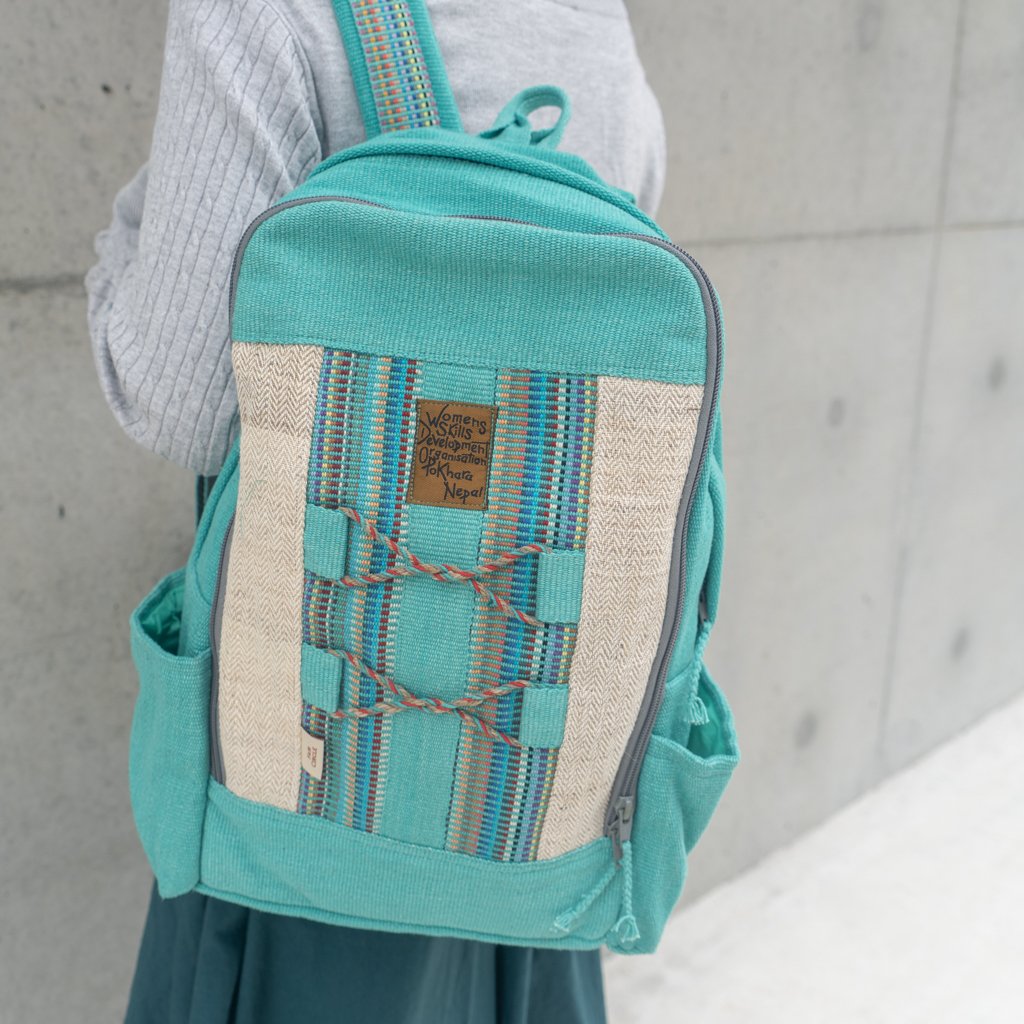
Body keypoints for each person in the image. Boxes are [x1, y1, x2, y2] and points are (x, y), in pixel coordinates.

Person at [86, 2, 665, 1021]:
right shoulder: (593, 20)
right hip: (534, 791)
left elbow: (176, 399)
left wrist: (129, 230)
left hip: (311, 759)